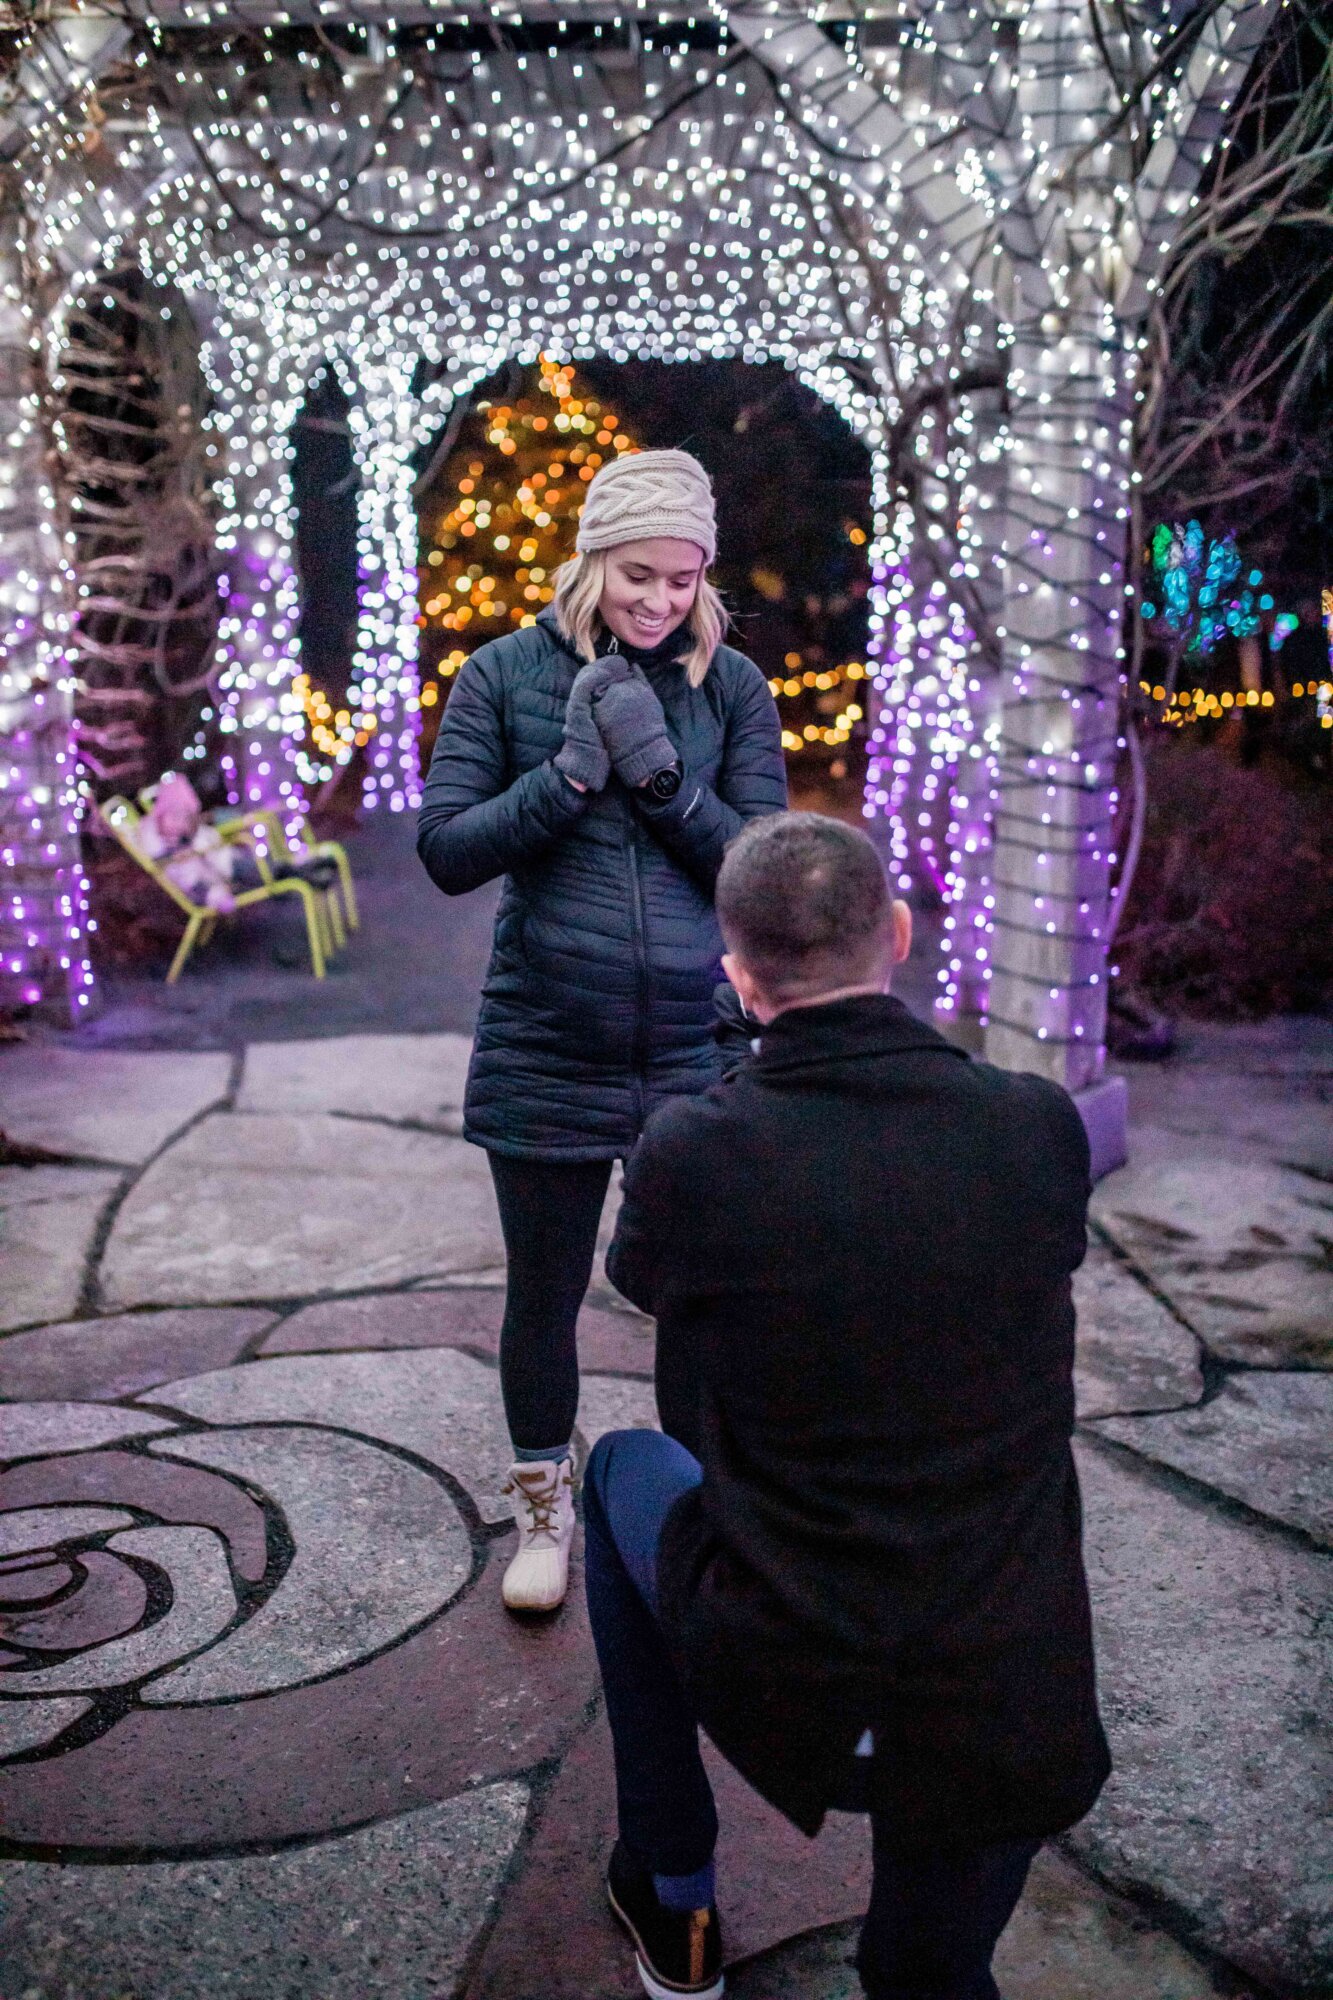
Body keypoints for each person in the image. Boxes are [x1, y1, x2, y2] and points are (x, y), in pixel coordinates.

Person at [586, 812, 1110, 1999]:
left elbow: (642, 1280)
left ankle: (674, 1902)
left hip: (787, 1664)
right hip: (1005, 1686)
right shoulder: (1036, 1126)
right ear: (903, 935)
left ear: (738, 977)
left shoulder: (695, 1149)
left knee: (617, 1467)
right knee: (925, 1972)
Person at [417, 448, 787, 1614]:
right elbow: (446, 851)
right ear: (589, 559)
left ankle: (695, 1517)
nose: (660, 601)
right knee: (545, 1289)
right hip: (547, 1039)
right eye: (639, 573)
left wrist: (665, 780)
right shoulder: (501, 676)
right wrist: (569, 778)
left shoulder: (731, 687)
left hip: (695, 1046)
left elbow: (761, 871)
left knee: (693, 1293)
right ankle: (543, 1513)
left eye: (682, 579)